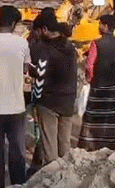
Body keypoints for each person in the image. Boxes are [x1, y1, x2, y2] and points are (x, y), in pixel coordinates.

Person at [0, 5, 31, 187]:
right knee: (17, 152)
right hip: (16, 106)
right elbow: (26, 68)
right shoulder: (23, 43)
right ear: (13, 23)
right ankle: (17, 184)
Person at [29, 18, 77, 167]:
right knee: (64, 143)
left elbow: (39, 72)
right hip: (68, 100)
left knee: (49, 145)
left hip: (49, 101)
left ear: (43, 29)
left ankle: (53, 176)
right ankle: (68, 175)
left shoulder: (44, 48)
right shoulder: (71, 48)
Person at [78, 15, 115, 151]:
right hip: (113, 87)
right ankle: (108, 144)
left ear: (105, 26)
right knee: (109, 118)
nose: (99, 26)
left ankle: (90, 145)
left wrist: (90, 79)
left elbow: (89, 65)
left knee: (93, 117)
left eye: (100, 24)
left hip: (98, 86)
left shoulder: (96, 43)